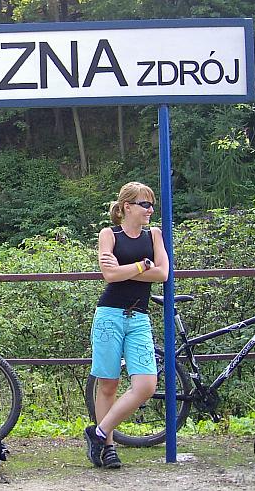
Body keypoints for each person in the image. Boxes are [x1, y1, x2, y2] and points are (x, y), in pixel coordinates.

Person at [84, 181, 169, 469]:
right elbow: (109, 275)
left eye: (152, 204)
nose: (150, 209)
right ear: (127, 207)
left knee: (146, 385)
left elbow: (163, 274)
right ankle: (107, 448)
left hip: (139, 317)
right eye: (145, 204)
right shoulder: (109, 234)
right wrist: (142, 266)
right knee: (108, 383)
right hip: (109, 315)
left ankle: (98, 432)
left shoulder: (154, 235)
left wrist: (126, 270)